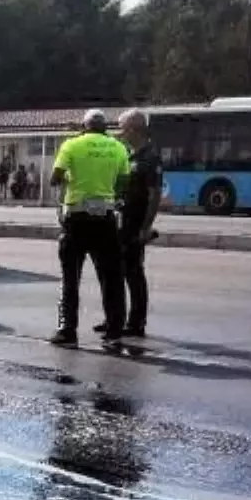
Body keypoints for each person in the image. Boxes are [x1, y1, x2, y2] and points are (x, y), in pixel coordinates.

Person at [49, 109, 130, 349]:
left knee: (70, 277)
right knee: (111, 277)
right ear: (105, 127)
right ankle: (115, 332)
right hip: (105, 218)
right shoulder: (118, 148)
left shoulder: (71, 145)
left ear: (84, 126)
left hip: (77, 218)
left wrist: (72, 179)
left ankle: (67, 330)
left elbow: (55, 178)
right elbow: (124, 183)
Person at [94, 109, 163, 338]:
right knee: (115, 272)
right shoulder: (128, 154)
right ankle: (114, 318)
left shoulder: (150, 158)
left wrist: (145, 227)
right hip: (119, 222)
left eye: (123, 128)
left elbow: (154, 195)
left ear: (134, 129)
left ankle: (136, 322)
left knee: (133, 272)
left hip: (135, 224)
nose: (120, 133)